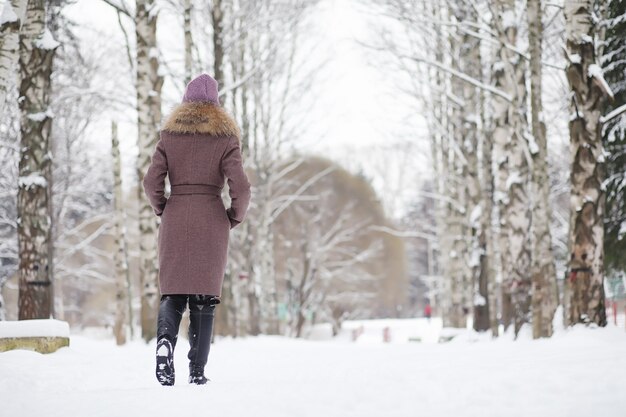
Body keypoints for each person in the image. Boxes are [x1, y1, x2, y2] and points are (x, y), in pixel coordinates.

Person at [143, 73, 251, 386]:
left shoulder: (169, 136)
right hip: (211, 220)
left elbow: (151, 181)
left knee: (172, 293)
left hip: (176, 216)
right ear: (216, 103)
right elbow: (241, 187)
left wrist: (163, 207)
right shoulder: (226, 138)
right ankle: (197, 371)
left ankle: (165, 342)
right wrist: (233, 216)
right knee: (204, 297)